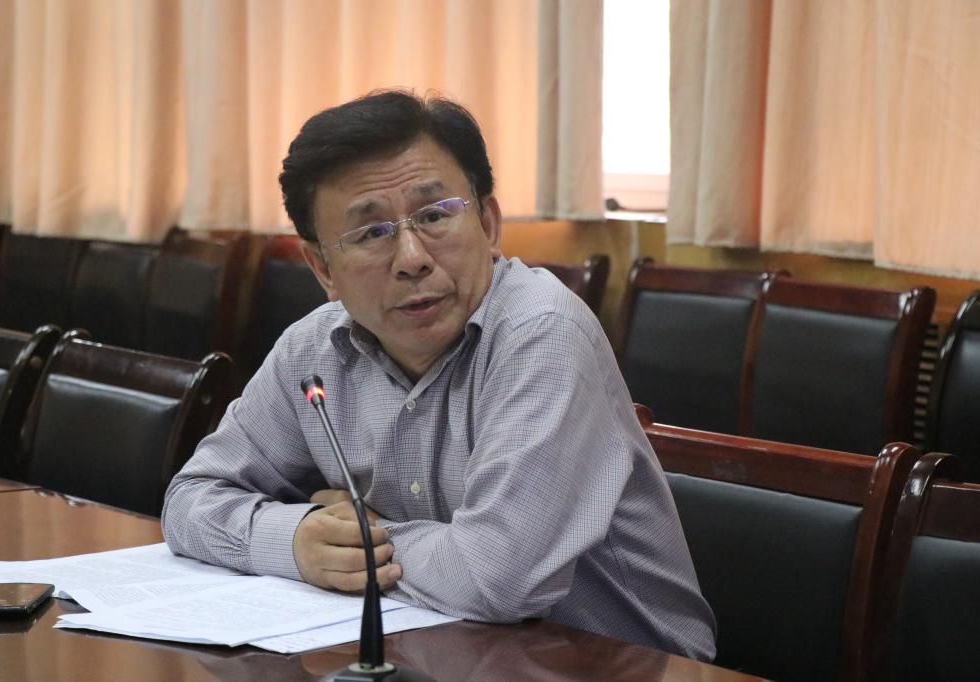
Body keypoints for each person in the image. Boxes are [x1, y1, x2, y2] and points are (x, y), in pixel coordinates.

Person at [162, 90, 716, 660]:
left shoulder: (542, 332)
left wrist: (366, 536)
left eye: (434, 216)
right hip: (442, 653)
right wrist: (297, 540)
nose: (412, 258)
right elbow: (189, 499)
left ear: (488, 223)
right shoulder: (312, 350)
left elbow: (497, 579)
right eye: (371, 233)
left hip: (617, 667)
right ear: (322, 266)